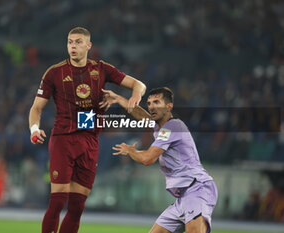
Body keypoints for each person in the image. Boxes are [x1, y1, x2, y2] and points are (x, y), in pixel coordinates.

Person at [28, 27, 146, 233]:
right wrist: (34, 129)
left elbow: (139, 84)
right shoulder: (54, 73)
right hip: (63, 139)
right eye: (70, 42)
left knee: (77, 207)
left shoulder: (101, 69)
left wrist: (136, 96)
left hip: (90, 141)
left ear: (88, 45)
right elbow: (36, 107)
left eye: (78, 42)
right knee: (57, 202)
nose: (73, 46)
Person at [101, 87, 218, 233]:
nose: (151, 106)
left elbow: (148, 159)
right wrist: (119, 99)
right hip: (184, 196)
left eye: (157, 102)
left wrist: (131, 151)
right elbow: (141, 116)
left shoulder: (172, 127)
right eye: (149, 103)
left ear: (169, 106)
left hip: (197, 189)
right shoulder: (161, 127)